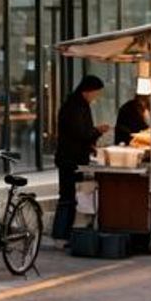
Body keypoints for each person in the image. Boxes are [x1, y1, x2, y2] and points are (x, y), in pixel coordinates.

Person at [52, 74, 110, 240]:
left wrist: (91, 144)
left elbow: (83, 133)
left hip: (76, 157)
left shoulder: (81, 105)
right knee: (67, 197)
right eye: (96, 93)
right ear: (87, 91)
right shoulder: (74, 107)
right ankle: (61, 234)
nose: (96, 97)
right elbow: (80, 132)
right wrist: (97, 131)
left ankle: (65, 233)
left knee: (71, 197)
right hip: (69, 158)